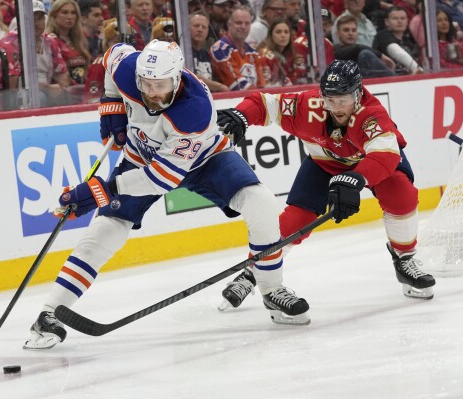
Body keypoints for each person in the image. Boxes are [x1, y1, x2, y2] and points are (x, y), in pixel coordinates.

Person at [23, 39, 311, 350]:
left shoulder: (194, 111)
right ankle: (50, 313)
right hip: (140, 157)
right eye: (146, 84)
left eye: (161, 85)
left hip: (205, 161)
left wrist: (102, 190)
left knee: (261, 202)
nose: (152, 93)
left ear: (177, 79)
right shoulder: (128, 70)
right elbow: (113, 53)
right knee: (105, 230)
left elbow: (160, 179)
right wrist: (111, 105)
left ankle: (271, 289)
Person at [216, 59, 436, 311]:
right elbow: (263, 103)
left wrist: (355, 179)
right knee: (295, 220)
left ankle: (405, 258)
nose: (335, 108)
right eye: (329, 100)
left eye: (342, 100)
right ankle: (254, 272)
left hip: (370, 163)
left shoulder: (371, 115)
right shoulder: (308, 106)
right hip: (324, 163)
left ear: (358, 94)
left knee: (400, 191)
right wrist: (241, 115)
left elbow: (385, 155)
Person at [0, 0, 70, 109]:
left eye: (39, 18)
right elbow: (14, 86)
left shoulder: (50, 42)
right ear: (20, 21)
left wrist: (61, 90)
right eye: (30, 18)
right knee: (39, 97)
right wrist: (48, 88)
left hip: (42, 92)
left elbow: (62, 73)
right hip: (3, 98)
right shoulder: (10, 44)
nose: (36, 23)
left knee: (69, 95)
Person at [210, 5, 265, 90]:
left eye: (247, 23)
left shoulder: (253, 52)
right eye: (238, 23)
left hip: (252, 99)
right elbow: (239, 86)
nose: (243, 27)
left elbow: (262, 85)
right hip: (228, 101)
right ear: (229, 25)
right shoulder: (220, 49)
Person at [372, 6, 423, 75]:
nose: (399, 21)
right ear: (387, 22)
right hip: (388, 79)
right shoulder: (382, 35)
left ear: (407, 21)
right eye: (395, 18)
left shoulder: (408, 41)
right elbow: (395, 51)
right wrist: (417, 69)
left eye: (402, 18)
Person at [189, 12, 229, 92]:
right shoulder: (182, 52)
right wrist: (220, 87)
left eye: (204, 27)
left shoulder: (207, 54)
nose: (200, 29)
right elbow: (191, 77)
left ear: (208, 32)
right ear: (187, 28)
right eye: (196, 26)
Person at [257, 19, 295, 86]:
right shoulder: (265, 54)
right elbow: (264, 86)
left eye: (286, 32)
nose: (283, 35)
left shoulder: (288, 56)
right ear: (271, 35)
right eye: (278, 32)